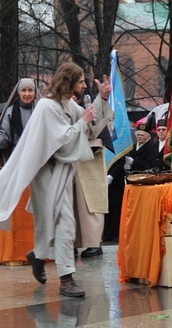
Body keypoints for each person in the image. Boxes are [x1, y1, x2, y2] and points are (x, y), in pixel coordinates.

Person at [0, 62, 98, 297]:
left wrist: (102, 99)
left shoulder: (67, 103)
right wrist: (82, 121)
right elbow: (62, 141)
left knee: (51, 221)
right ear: (69, 81)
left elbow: (91, 124)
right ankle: (66, 279)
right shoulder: (46, 106)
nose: (84, 85)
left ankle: (38, 255)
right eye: (81, 81)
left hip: (61, 170)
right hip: (44, 171)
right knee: (63, 221)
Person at [72, 76, 113, 258]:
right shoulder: (57, 107)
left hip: (89, 161)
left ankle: (94, 243)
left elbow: (98, 123)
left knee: (91, 203)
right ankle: (69, 242)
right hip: (68, 161)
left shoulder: (88, 104)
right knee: (70, 204)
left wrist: (103, 98)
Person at [0, 78, 42, 167]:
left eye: (30, 90)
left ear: (35, 92)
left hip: (38, 158)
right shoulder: (11, 111)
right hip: (16, 159)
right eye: (23, 90)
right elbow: (5, 135)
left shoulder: (42, 110)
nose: (27, 94)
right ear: (18, 92)